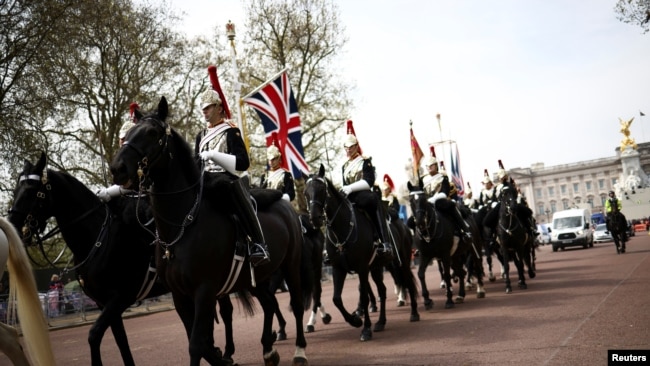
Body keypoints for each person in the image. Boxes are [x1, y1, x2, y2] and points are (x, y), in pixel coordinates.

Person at [196, 88, 270, 267]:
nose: (204, 111)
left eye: (209, 107)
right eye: (203, 108)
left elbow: (243, 163)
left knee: (233, 193)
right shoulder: (201, 135)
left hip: (226, 178)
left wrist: (214, 155)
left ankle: (258, 243)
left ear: (219, 108)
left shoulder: (231, 131)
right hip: (204, 180)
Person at [339, 120, 392, 260]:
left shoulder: (365, 161)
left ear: (356, 146)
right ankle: (336, 245)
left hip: (363, 195)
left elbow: (368, 182)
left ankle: (385, 242)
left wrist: (350, 188)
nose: (348, 150)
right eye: (346, 147)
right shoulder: (344, 166)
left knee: (373, 200)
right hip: (349, 196)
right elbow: (345, 183)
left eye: (351, 147)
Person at [420, 146, 472, 240]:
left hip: (439, 201)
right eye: (428, 166)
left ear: (436, 166)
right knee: (415, 217)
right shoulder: (424, 180)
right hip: (427, 204)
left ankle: (465, 230)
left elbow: (444, 193)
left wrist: (432, 199)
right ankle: (419, 240)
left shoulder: (442, 177)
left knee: (451, 206)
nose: (429, 167)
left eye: (432, 165)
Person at [98, 107, 138, 202]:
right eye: (122, 138)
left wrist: (108, 192)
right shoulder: (119, 157)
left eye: (126, 138)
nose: (122, 141)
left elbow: (128, 185)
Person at [260, 134, 295, 202]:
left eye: (273, 159)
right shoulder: (264, 176)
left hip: (280, 203)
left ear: (279, 158)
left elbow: (291, 194)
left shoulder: (286, 175)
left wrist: (280, 198)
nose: (271, 161)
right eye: (269, 159)